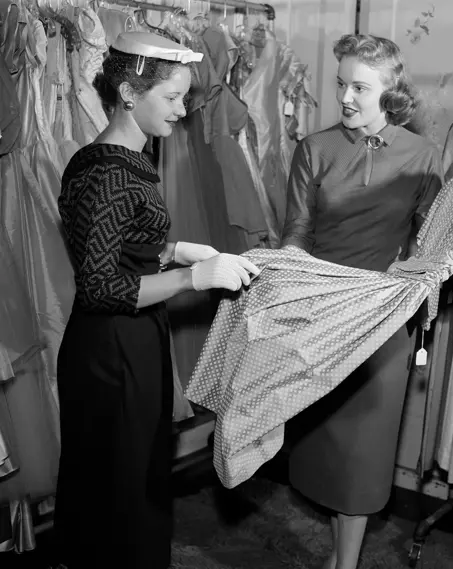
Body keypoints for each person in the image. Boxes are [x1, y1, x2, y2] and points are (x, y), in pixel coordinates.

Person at [52, 32, 260, 569]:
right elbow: (101, 288)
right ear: (127, 92)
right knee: (121, 488)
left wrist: (174, 252)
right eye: (171, 97)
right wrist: (196, 279)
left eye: (185, 97)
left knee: (133, 473)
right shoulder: (109, 171)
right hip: (112, 346)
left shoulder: (123, 159)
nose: (182, 108)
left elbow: (120, 247)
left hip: (128, 338)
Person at [282, 34, 443, 569]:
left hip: (382, 327)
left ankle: (345, 565)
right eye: (341, 84)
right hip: (320, 319)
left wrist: (419, 275)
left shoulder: (421, 155)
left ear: (390, 92)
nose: (345, 97)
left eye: (360, 87)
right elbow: (296, 236)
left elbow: (429, 240)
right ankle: (340, 554)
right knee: (329, 454)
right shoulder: (314, 149)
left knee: (362, 455)